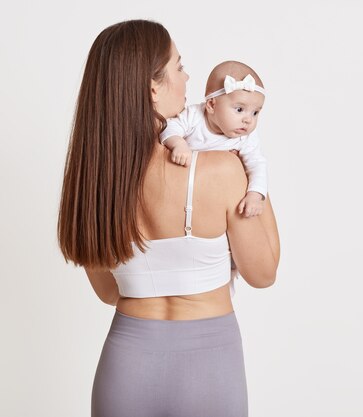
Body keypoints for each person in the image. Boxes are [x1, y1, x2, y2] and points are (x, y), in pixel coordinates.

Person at [57, 19, 280, 417]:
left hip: (125, 366)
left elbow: (111, 292)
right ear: (153, 86)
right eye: (178, 66)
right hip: (209, 367)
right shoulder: (223, 170)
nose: (188, 76)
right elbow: (263, 273)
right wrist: (250, 168)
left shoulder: (91, 184)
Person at [161, 61, 269, 218]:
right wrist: (178, 143)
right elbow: (170, 128)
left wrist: (255, 195)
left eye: (255, 113)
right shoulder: (194, 116)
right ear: (211, 105)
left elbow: (257, 163)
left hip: (217, 196)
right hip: (184, 190)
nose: (248, 120)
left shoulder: (245, 137)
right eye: (239, 109)